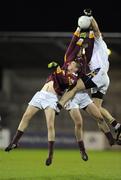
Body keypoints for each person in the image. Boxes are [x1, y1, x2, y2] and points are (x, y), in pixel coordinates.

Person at [5, 28, 86, 166]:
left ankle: (50, 155)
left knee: (50, 125)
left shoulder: (73, 77)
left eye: (73, 64)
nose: (70, 63)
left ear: (76, 69)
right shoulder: (66, 66)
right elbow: (71, 48)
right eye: (71, 63)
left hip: (52, 98)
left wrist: (58, 69)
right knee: (26, 117)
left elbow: (63, 81)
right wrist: (79, 36)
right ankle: (14, 143)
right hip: (40, 94)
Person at [57, 15, 121, 142]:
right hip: (104, 79)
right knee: (96, 110)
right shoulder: (98, 45)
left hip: (98, 74)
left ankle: (59, 106)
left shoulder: (96, 43)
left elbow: (95, 30)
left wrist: (90, 18)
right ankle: (116, 126)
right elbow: (94, 32)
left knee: (74, 87)